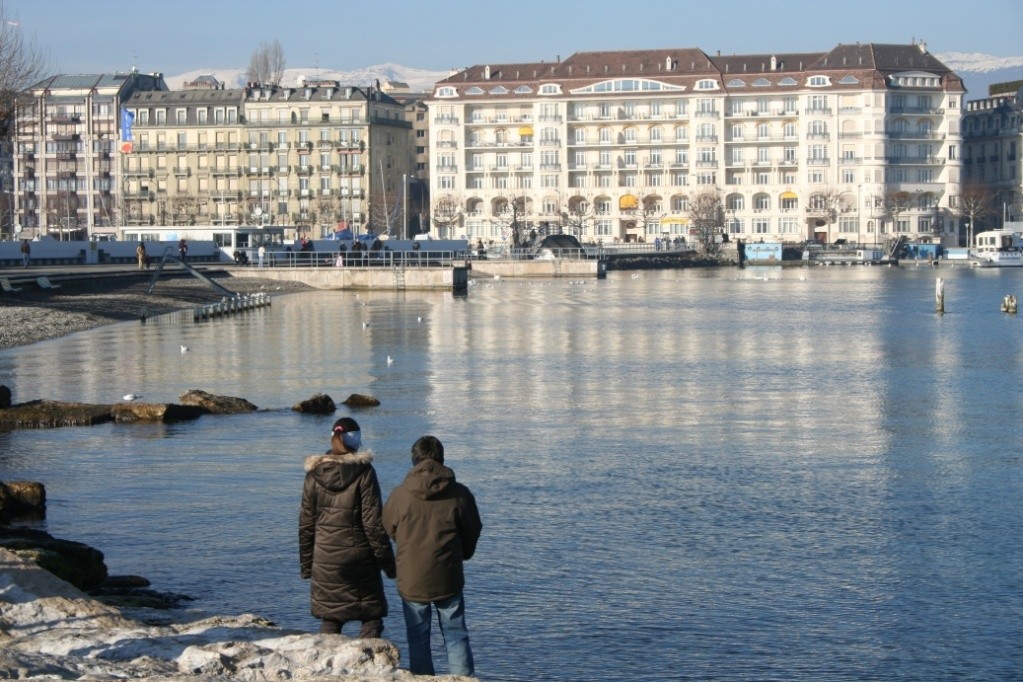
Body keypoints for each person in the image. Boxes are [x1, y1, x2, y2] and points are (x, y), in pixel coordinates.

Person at [383, 435, 482, 677]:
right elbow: (473, 529)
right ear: (442, 459)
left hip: (412, 578)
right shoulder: (459, 494)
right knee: (455, 635)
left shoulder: (400, 495)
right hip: (448, 576)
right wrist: (463, 555)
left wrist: (404, 546)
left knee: (418, 638)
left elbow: (387, 527)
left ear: (414, 460)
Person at [300, 417, 395, 639]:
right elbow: (373, 525)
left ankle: (326, 666)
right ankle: (369, 666)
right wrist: (389, 565)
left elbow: (306, 524)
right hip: (359, 562)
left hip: (324, 562)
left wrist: (307, 566)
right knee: (371, 619)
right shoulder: (364, 472)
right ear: (356, 441)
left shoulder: (314, 473)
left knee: (331, 619)